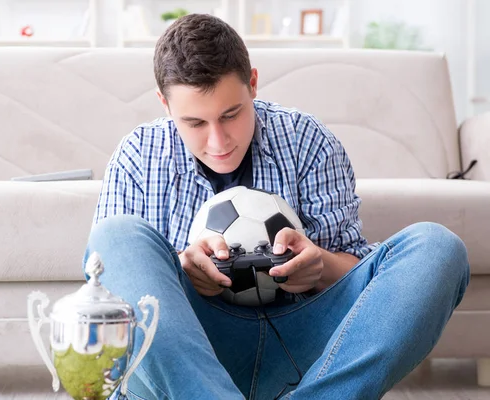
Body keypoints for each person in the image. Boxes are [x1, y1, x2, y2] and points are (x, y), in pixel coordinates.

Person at [83, 13, 470, 400]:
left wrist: (319, 264)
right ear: (164, 105)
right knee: (114, 237)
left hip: (313, 346)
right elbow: (109, 297)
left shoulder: (308, 140)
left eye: (231, 115)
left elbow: (357, 273)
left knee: (438, 247)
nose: (218, 142)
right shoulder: (138, 156)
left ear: (252, 83)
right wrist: (181, 267)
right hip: (198, 353)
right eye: (195, 123)